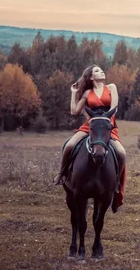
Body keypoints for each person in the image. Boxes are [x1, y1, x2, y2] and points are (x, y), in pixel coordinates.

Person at [53, 65, 126, 210]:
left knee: (121, 152)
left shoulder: (111, 87)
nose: (102, 71)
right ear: (91, 77)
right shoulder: (87, 93)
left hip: (107, 126)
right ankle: (61, 174)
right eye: (97, 70)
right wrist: (74, 93)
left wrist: (105, 123)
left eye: (101, 69)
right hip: (90, 127)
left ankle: (116, 182)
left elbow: (114, 108)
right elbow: (74, 111)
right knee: (69, 145)